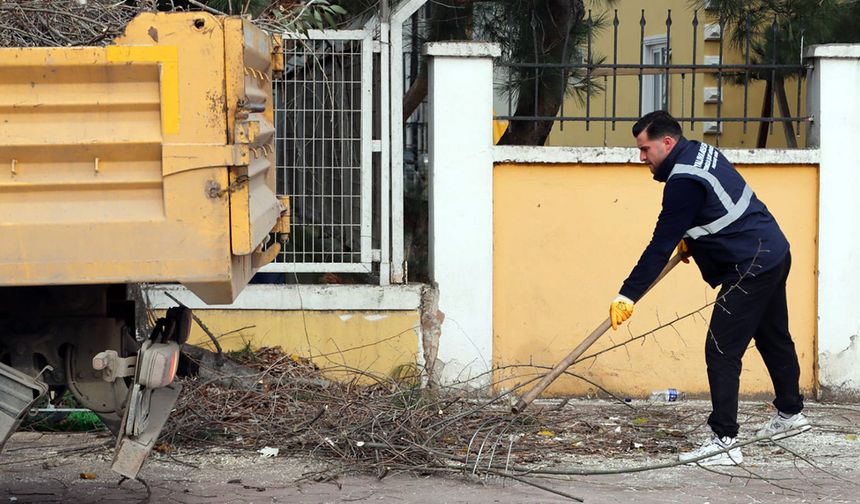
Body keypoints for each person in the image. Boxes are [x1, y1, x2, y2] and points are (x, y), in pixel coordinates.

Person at [609, 111, 809, 466]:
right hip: (774, 251)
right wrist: (694, 239)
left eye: (645, 149)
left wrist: (628, 294)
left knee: (721, 351)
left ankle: (724, 442)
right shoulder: (700, 152)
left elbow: (660, 245)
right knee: (773, 337)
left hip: (750, 266)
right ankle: (791, 415)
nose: (641, 158)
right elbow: (718, 205)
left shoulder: (683, 181)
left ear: (666, 143)